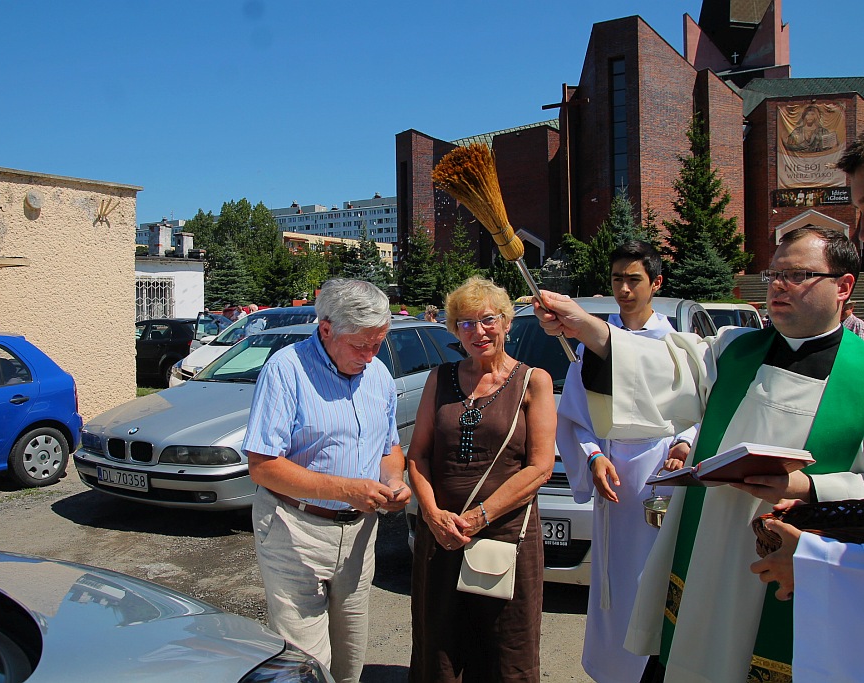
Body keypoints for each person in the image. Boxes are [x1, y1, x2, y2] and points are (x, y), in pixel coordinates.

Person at [533, 226, 864, 683]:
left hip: (797, 574)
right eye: (774, 274)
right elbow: (666, 369)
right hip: (710, 556)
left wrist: (809, 486)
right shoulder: (733, 351)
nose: (778, 285)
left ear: (843, 286)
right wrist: (586, 326)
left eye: (798, 274)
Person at [749, 107, 864, 683]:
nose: (862, 233)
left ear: (843, 290)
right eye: (857, 212)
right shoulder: (743, 352)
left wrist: (819, 554)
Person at [242, 278, 411, 683]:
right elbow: (262, 465)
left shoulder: (379, 376)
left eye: (378, 344)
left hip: (358, 535)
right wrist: (347, 489)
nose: (370, 356)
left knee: (349, 658)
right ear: (326, 328)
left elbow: (389, 448)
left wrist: (394, 482)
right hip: (293, 529)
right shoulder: (286, 370)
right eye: (361, 346)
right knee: (303, 662)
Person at [557, 241, 696, 683]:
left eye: (634, 279)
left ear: (656, 282)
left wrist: (686, 443)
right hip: (615, 482)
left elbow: (700, 408)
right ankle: (615, 671)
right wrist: (594, 457)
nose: (624, 289)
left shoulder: (677, 344)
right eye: (617, 279)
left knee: (661, 578)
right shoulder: (594, 345)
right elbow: (575, 417)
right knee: (617, 582)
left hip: (663, 475)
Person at [407, 276, 555, 682]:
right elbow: (417, 455)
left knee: (507, 652)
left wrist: (478, 518)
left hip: (507, 538)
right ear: (455, 329)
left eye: (488, 320)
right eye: (465, 323)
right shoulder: (440, 379)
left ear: (507, 323)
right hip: (440, 537)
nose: (478, 331)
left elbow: (539, 468)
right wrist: (433, 514)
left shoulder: (533, 381)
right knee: (439, 648)